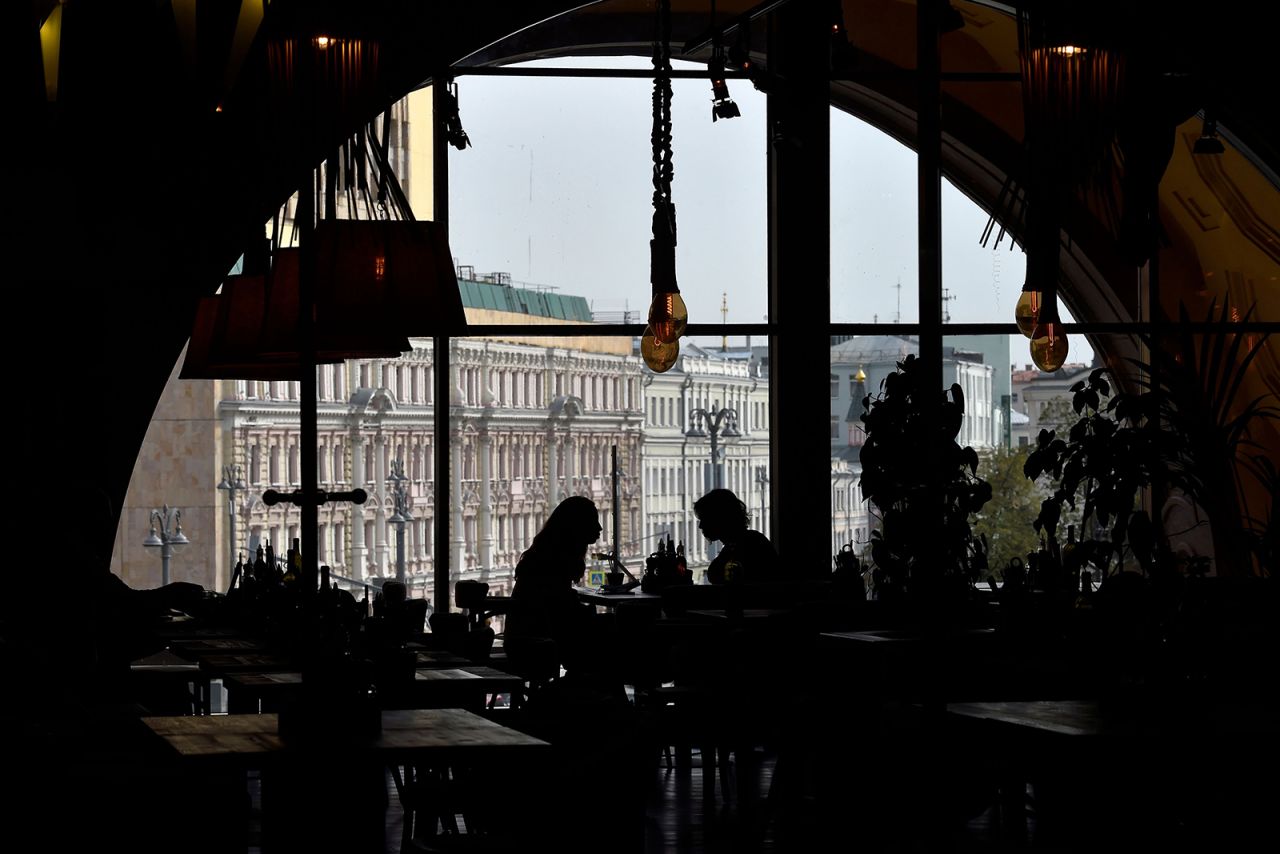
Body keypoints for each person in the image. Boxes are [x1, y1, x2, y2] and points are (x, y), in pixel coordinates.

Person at [505, 495, 605, 677]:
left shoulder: (544, 555)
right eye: (593, 521)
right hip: (539, 641)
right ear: (576, 526)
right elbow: (559, 609)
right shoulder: (554, 562)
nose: (599, 528)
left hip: (527, 639)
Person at [695, 488, 780, 585]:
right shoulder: (750, 542)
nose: (701, 525)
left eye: (705, 519)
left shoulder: (746, 546)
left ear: (719, 518)